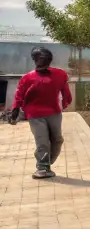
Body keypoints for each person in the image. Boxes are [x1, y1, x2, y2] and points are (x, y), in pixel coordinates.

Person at [12, 47, 72, 178]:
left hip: (54, 112)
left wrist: (67, 101)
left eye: (46, 59)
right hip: (35, 114)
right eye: (40, 58)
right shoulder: (28, 78)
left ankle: (45, 162)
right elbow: (19, 94)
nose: (43, 61)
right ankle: (42, 168)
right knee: (43, 141)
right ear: (35, 60)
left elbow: (64, 89)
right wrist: (15, 109)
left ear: (50, 60)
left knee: (57, 140)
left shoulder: (60, 74)